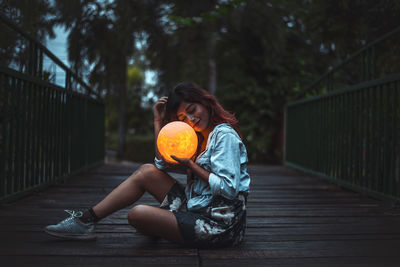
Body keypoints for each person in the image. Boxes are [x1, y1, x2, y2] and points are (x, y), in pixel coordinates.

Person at [44, 82, 251, 248]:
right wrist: (157, 121)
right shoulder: (198, 138)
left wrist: (191, 165)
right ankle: (85, 221)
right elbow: (162, 163)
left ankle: (162, 224)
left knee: (137, 215)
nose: (191, 119)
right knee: (146, 172)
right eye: (182, 118)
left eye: (192, 109)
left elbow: (229, 188)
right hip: (198, 208)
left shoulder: (223, 135)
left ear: (205, 102)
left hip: (221, 226)